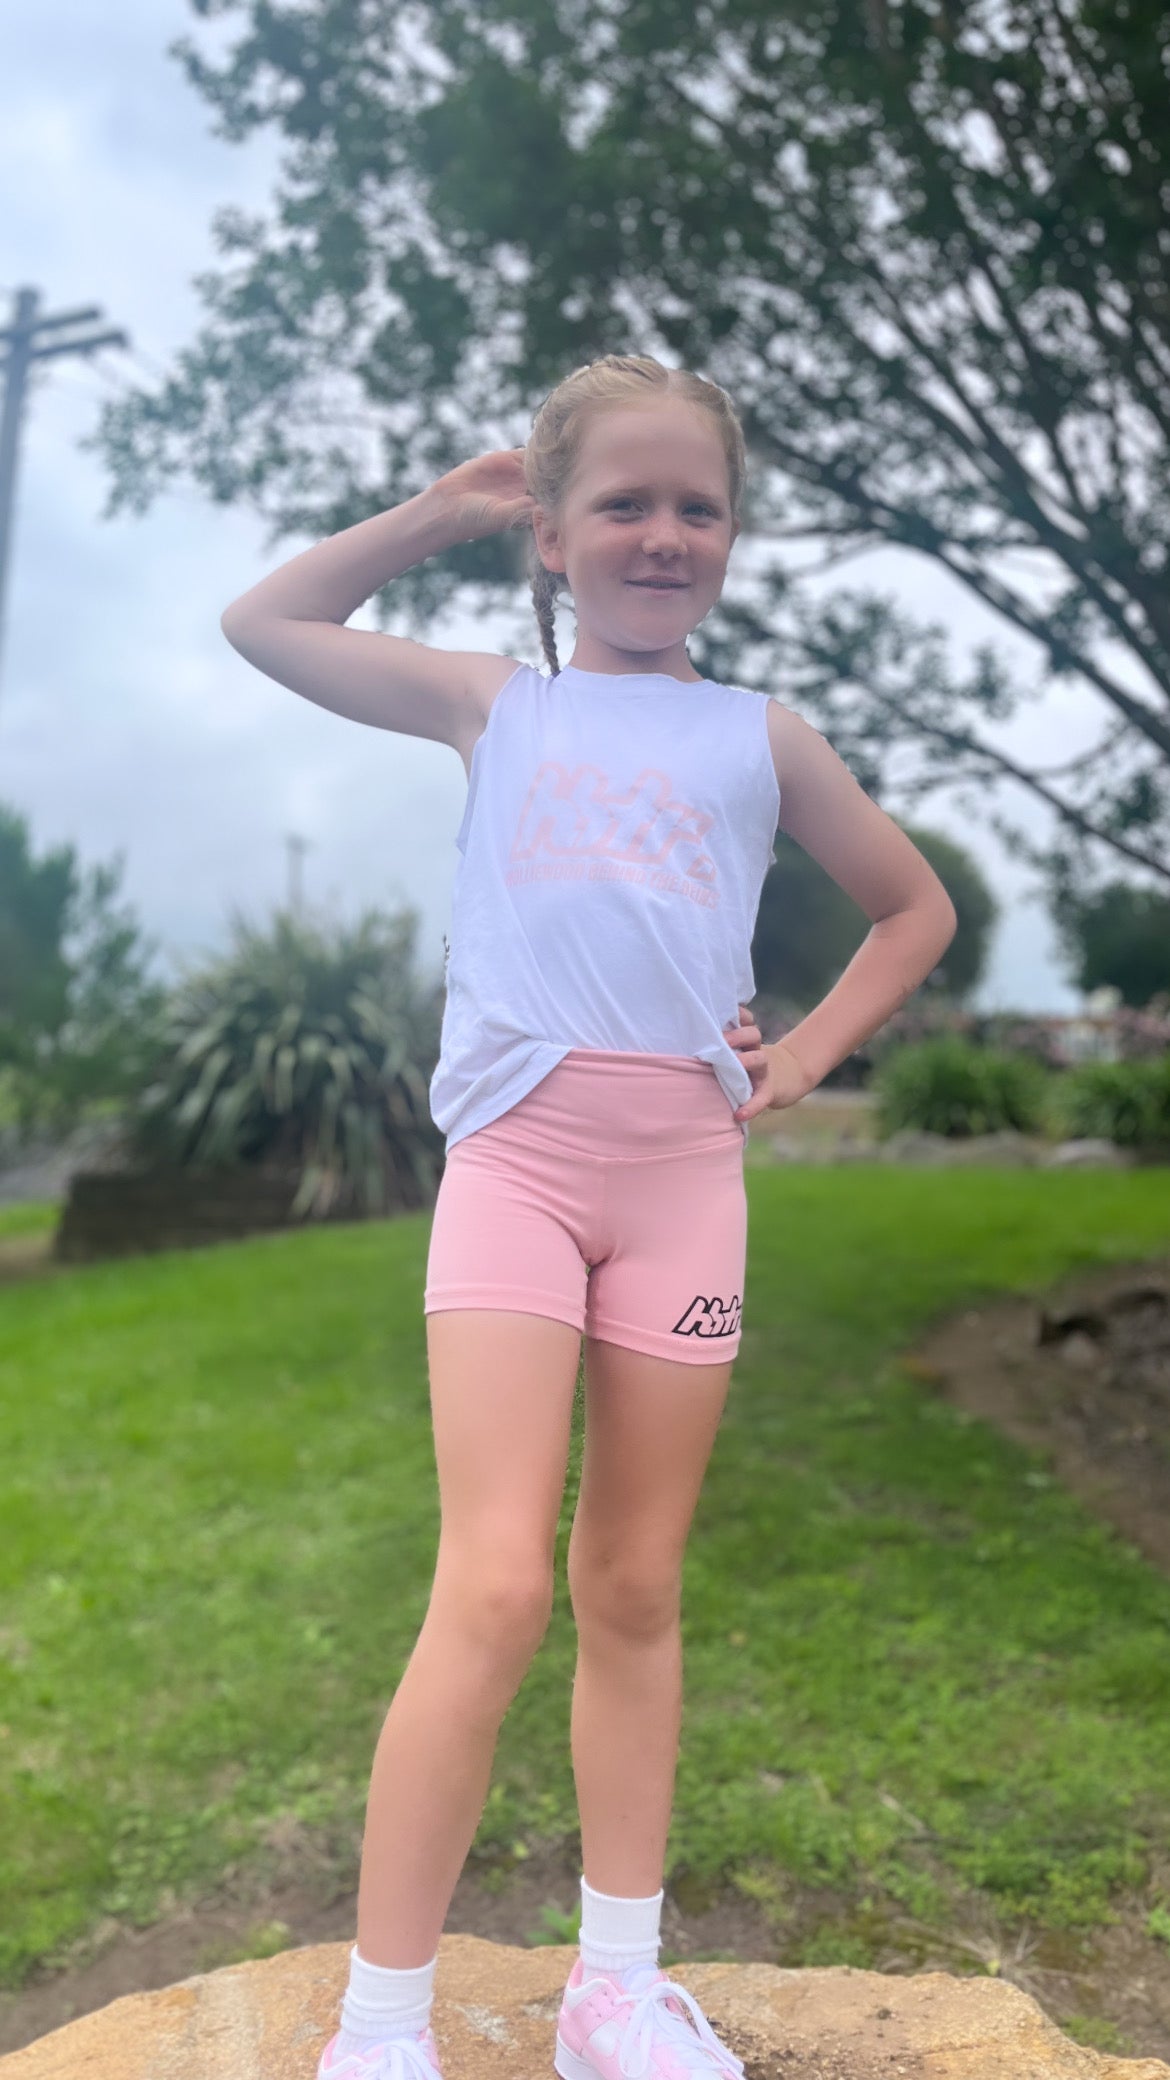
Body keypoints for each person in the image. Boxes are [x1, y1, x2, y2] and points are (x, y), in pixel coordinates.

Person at [220, 354, 957, 2080]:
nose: (663, 534)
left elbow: (908, 909)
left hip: (684, 1183)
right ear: (551, 537)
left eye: (698, 507)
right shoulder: (497, 707)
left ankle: (613, 1993)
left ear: (732, 537)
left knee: (630, 1582)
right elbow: (266, 624)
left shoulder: (760, 736)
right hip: (519, 1175)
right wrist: (437, 514)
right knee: (490, 1589)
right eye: (622, 504)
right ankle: (382, 2025)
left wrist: (804, 1060)